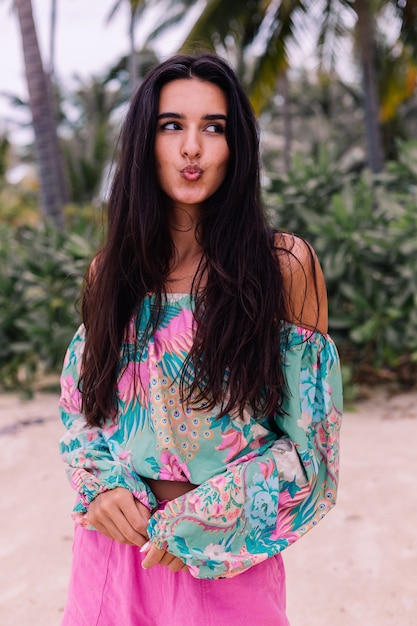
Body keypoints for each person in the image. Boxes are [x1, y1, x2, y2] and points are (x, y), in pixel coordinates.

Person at [58, 52, 343, 626]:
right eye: (172, 126)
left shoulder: (282, 267)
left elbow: (313, 456)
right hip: (115, 554)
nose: (193, 147)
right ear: (146, 142)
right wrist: (103, 489)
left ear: (237, 147)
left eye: (214, 127)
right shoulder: (111, 271)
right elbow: (83, 412)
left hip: (224, 561)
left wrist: (197, 522)